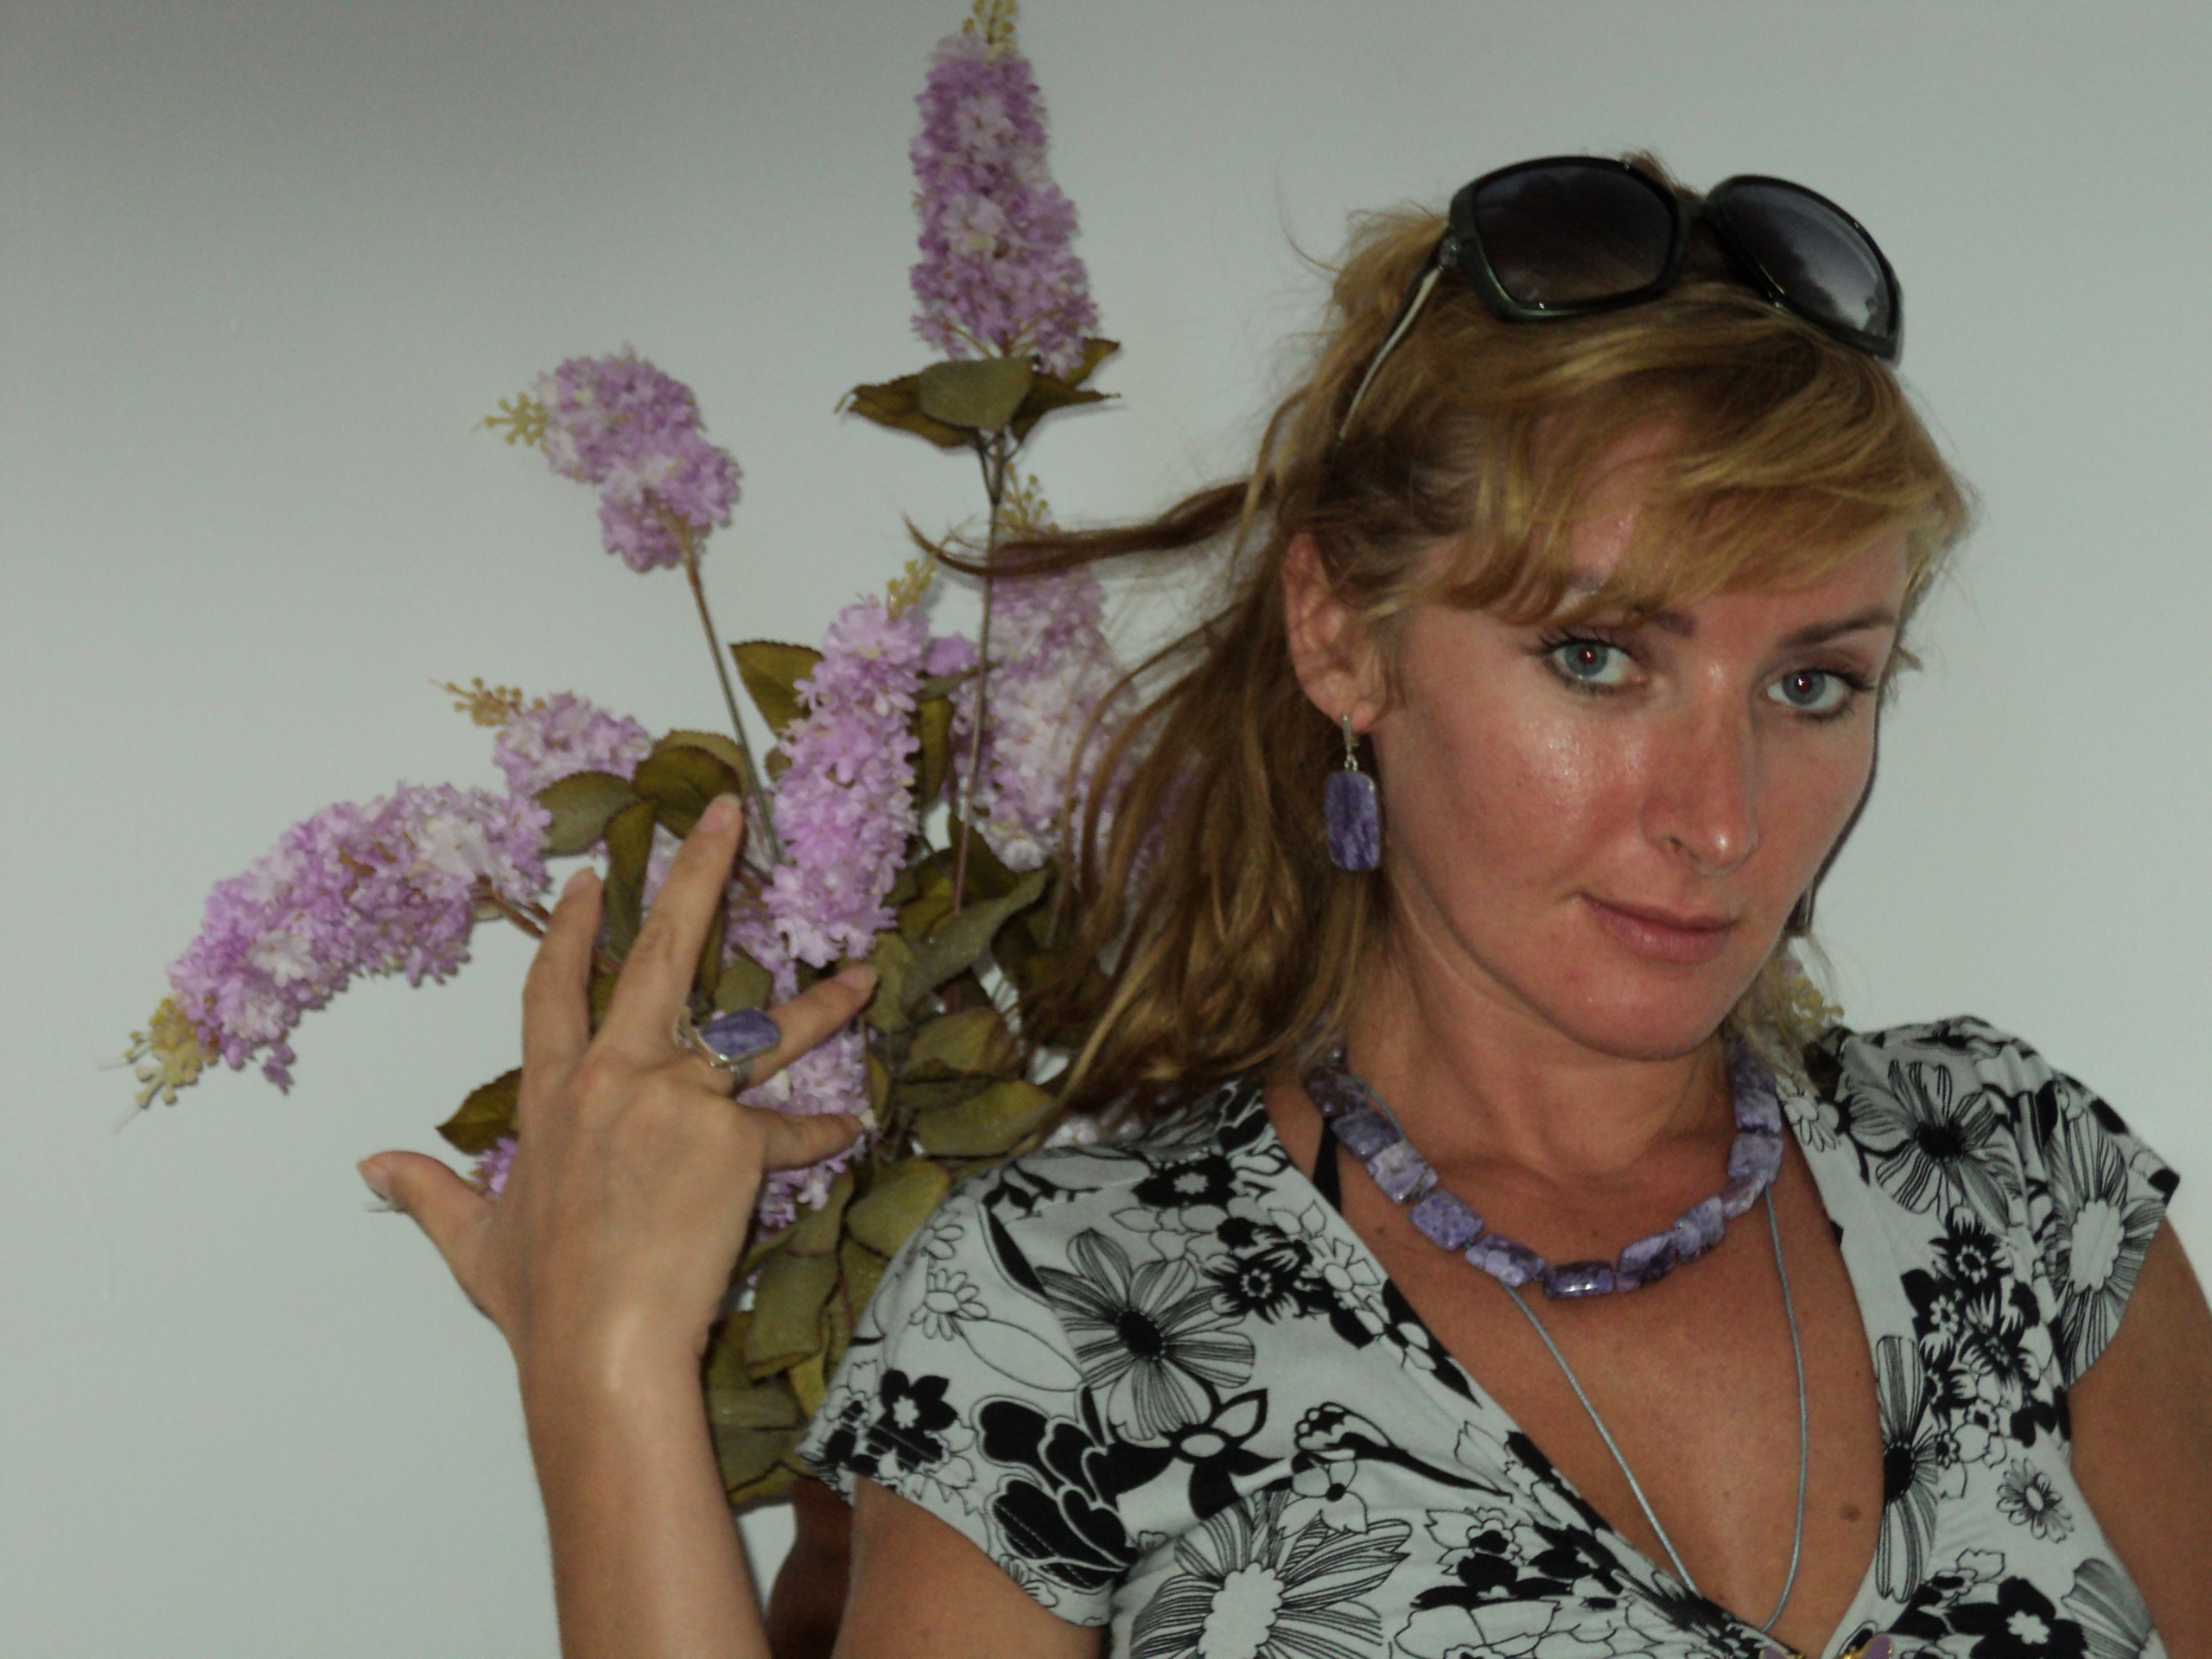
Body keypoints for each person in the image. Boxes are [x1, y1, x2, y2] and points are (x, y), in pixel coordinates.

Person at [360, 156, 2212, 1659]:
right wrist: (606, 1371)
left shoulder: (2011, 1178)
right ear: (1341, 636)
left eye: (1812, 684)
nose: (1721, 820)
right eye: (1596, 656)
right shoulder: (1070, 1309)